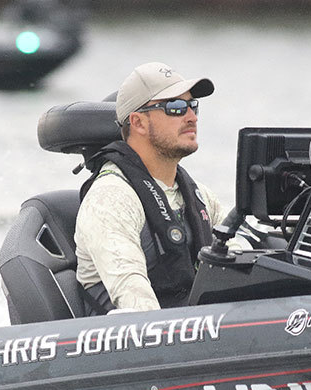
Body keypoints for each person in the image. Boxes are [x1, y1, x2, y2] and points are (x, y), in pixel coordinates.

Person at [74, 61, 228, 312]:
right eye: (175, 107)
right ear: (138, 123)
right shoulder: (109, 199)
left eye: (193, 106)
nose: (191, 117)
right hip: (144, 330)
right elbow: (134, 297)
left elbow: (240, 254)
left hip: (195, 322)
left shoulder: (201, 197)